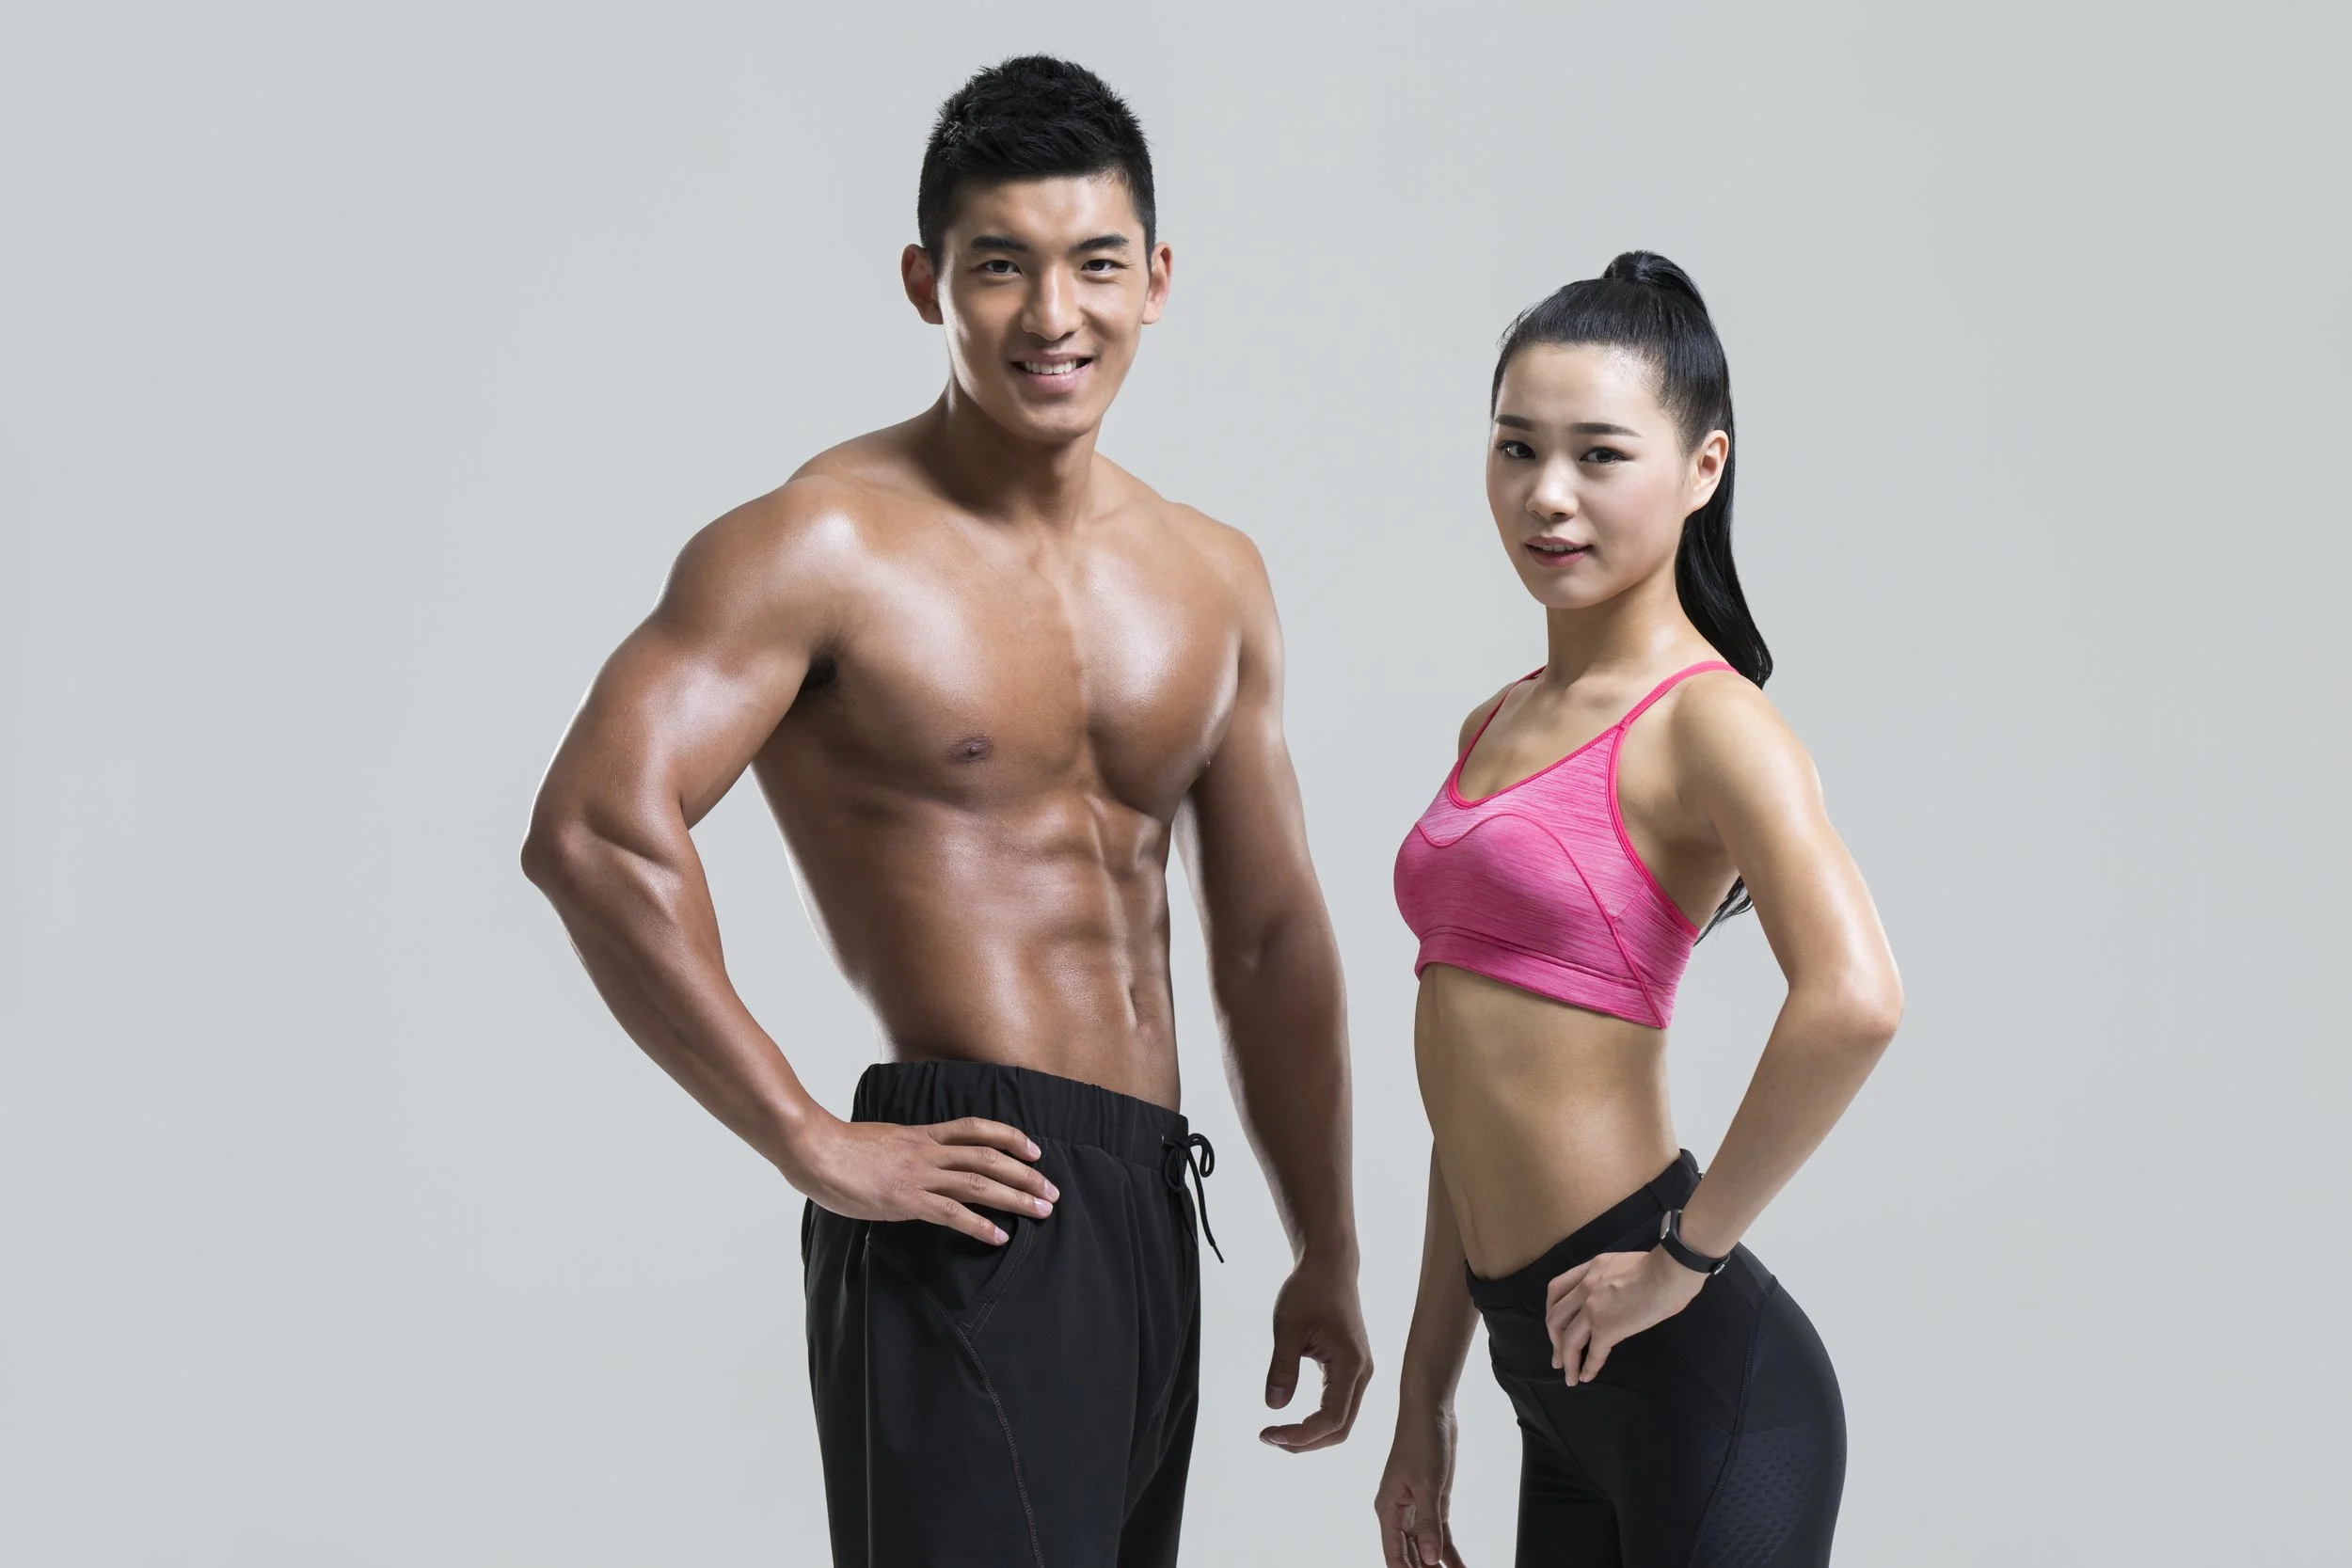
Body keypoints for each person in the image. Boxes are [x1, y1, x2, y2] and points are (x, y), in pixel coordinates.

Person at [521, 55, 1370, 1568]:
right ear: (928, 283)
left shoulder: (1213, 574)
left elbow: (1270, 936)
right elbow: (594, 828)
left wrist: (1328, 1241)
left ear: (1157, 278)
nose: (1055, 316)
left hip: (1149, 1199)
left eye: (1097, 263)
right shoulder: (820, 542)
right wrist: (804, 1134)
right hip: (967, 1184)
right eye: (1002, 268)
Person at [1374, 252, 1903, 1568]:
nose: (1547, 496)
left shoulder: (1711, 725)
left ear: (1703, 468)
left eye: (1600, 455)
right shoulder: (1492, 723)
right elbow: (1469, 1104)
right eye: (1516, 449)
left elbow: (1855, 998)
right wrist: (1426, 1395)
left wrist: (1686, 1255)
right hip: (1544, 1379)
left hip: (1692, 1381)